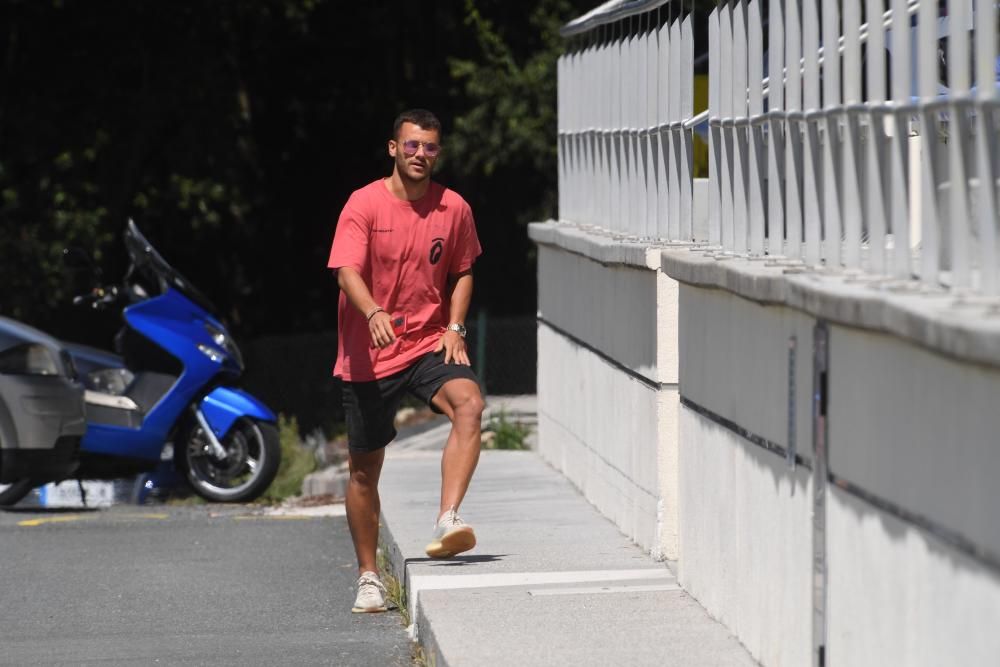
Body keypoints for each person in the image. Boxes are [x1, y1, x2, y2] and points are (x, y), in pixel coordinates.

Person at [327, 109, 485, 614]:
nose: (421, 155)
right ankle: (368, 577)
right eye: (412, 145)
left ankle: (448, 518)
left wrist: (456, 328)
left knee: (470, 404)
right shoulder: (364, 204)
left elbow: (463, 271)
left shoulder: (454, 208)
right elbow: (345, 270)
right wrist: (371, 309)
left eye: (431, 148)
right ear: (393, 148)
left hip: (426, 342)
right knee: (363, 472)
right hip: (368, 353)